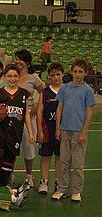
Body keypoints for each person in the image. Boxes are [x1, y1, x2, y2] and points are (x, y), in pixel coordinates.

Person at [52, 59, 95, 202]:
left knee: (78, 164)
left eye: (80, 72)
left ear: (85, 73)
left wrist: (84, 131)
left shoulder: (88, 91)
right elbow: (59, 109)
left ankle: (77, 191)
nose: (77, 74)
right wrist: (58, 128)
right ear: (71, 72)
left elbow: (89, 113)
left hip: (78, 132)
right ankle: (62, 189)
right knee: (64, 162)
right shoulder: (64, 88)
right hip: (64, 130)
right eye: (75, 71)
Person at [0, 64, 34, 187]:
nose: (12, 79)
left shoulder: (24, 94)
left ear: (19, 77)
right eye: (9, 76)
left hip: (15, 132)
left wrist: (31, 132)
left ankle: (5, 184)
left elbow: (26, 115)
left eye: (15, 76)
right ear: (5, 77)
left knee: (9, 159)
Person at [14, 49, 45, 188]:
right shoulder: (12, 75)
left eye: (20, 59)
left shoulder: (34, 78)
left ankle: (29, 175)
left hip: (28, 118)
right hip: (13, 116)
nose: (17, 61)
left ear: (27, 62)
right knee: (11, 146)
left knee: (28, 146)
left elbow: (45, 92)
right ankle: (10, 174)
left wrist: (37, 107)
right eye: (16, 59)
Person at [36, 63, 63, 194]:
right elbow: (40, 112)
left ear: (63, 75)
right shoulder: (45, 92)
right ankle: (44, 181)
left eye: (58, 74)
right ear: (49, 77)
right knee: (45, 156)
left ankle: (58, 181)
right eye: (53, 75)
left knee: (59, 156)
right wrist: (40, 131)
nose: (56, 77)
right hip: (47, 129)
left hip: (62, 129)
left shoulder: (66, 90)